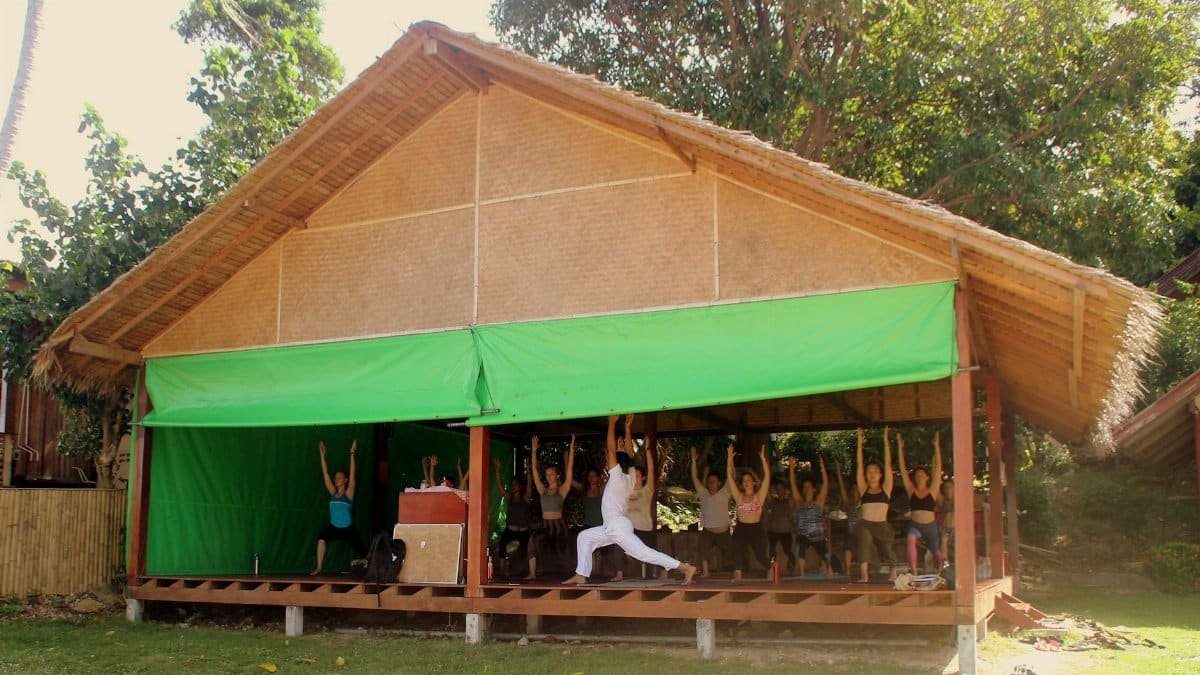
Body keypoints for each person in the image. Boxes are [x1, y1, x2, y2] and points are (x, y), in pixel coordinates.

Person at [564, 414, 696, 585]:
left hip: (616, 526)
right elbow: (629, 454)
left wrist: (612, 424)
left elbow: (613, 450)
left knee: (644, 553)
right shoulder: (631, 476)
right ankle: (581, 573)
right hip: (612, 526)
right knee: (584, 537)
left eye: (615, 456)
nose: (612, 457)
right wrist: (627, 429)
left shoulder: (618, 475)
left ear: (618, 463)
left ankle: (685, 568)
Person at [311, 439, 366, 575]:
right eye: (336, 478)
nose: (336, 480)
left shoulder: (349, 493)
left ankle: (373, 566)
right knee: (321, 539)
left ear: (345, 480)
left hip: (348, 529)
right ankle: (319, 567)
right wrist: (322, 455)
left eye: (339, 478)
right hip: (334, 527)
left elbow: (353, 475)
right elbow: (326, 474)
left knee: (365, 552)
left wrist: (352, 452)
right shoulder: (333, 493)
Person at [525, 434, 576, 579]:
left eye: (551, 474)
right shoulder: (543, 490)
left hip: (559, 526)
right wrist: (534, 451)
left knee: (564, 551)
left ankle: (572, 574)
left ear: (558, 476)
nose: (548, 477)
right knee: (533, 540)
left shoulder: (563, 489)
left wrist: (572, 448)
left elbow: (570, 470)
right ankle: (532, 573)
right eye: (547, 474)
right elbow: (535, 471)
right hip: (545, 525)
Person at [897, 431, 944, 574]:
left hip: (930, 527)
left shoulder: (933, 490)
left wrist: (936, 447)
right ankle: (914, 571)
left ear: (927, 477)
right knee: (910, 539)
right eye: (917, 475)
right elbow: (903, 471)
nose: (919, 476)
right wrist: (900, 448)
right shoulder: (911, 490)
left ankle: (941, 568)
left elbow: (938, 469)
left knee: (935, 550)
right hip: (915, 525)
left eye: (922, 474)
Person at [855, 428, 897, 583]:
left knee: (887, 551)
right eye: (869, 472)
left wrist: (886, 441)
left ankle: (893, 570)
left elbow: (888, 464)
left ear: (880, 474)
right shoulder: (863, 489)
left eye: (875, 471)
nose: (871, 474)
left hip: (882, 525)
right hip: (866, 523)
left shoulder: (886, 489)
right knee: (864, 540)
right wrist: (859, 443)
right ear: (866, 475)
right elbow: (859, 464)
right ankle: (864, 574)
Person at [727, 443, 772, 582]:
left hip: (756, 528)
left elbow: (767, 478)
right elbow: (729, 476)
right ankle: (738, 573)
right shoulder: (739, 496)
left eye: (748, 480)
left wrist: (764, 460)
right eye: (744, 480)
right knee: (737, 546)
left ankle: (771, 567)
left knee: (759, 555)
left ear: (753, 482)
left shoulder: (759, 496)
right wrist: (729, 459)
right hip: (741, 527)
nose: (746, 482)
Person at [619, 434, 660, 581]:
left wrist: (648, 450)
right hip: (631, 531)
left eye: (638, 475)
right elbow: (628, 461)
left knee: (651, 558)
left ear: (643, 477)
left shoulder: (647, 490)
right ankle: (626, 567)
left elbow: (651, 468)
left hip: (646, 529)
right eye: (633, 475)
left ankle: (661, 573)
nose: (635, 477)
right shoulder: (627, 491)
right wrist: (622, 448)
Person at [690, 444, 731, 579]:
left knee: (731, 552)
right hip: (708, 530)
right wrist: (694, 461)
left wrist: (730, 458)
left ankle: (738, 571)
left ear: (719, 483)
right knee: (702, 549)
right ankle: (706, 572)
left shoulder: (725, 492)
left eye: (713, 481)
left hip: (723, 531)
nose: (710, 483)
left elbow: (730, 474)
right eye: (709, 481)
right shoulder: (703, 493)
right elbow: (695, 478)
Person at [788, 455, 831, 576]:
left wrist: (823, 468)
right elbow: (792, 484)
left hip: (818, 536)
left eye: (808, 486)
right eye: (804, 487)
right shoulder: (799, 502)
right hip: (803, 536)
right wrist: (791, 469)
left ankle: (828, 567)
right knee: (800, 544)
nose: (806, 489)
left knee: (826, 554)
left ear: (814, 489)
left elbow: (826, 484)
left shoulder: (819, 502)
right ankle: (802, 573)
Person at [494, 456, 533, 573]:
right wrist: (497, 470)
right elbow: (500, 486)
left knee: (526, 549)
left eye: (515, 484)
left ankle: (524, 570)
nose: (513, 486)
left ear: (520, 486)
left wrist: (529, 471)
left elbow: (530, 484)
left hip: (523, 531)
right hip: (510, 530)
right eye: (512, 484)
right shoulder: (509, 498)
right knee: (502, 544)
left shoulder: (525, 498)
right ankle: (502, 570)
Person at [835, 459, 862, 574]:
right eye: (853, 489)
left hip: (863, 533)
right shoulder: (849, 504)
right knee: (848, 543)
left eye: (857, 489)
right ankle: (848, 571)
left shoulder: (864, 503)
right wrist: (838, 472)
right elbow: (842, 488)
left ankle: (864, 571)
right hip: (851, 534)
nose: (854, 491)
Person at [764, 480, 796, 573]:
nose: (779, 490)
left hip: (786, 531)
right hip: (773, 530)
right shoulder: (773, 501)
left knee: (787, 550)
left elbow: (794, 497)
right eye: (778, 489)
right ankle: (772, 568)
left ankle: (791, 566)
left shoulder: (789, 501)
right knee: (772, 551)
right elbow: (766, 491)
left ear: (785, 490)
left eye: (781, 488)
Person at [939, 476, 955, 562]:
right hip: (945, 529)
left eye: (950, 487)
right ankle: (945, 563)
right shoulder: (942, 500)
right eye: (946, 487)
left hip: (958, 529)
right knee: (944, 539)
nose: (948, 489)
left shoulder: (960, 499)